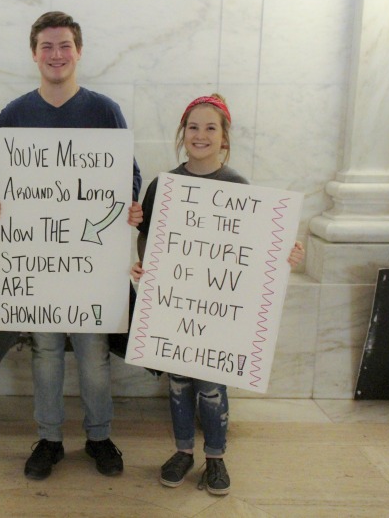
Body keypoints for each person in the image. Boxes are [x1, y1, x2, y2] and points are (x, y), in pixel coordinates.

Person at [0, 11, 143, 480]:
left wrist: (128, 207)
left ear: (79, 51)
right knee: (46, 352)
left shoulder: (104, 111)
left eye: (65, 45)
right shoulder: (13, 115)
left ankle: (99, 437)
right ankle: (49, 439)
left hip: (90, 262)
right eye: (47, 46)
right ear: (34, 53)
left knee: (93, 354)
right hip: (39, 262)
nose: (57, 54)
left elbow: (126, 175)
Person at [131, 94, 305, 495]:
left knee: (211, 385)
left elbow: (256, 249)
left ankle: (215, 457)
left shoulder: (238, 187)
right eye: (193, 126)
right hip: (175, 307)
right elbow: (149, 239)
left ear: (224, 137)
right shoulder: (164, 186)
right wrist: (145, 269)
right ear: (182, 133)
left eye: (211, 127)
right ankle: (182, 451)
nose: (201, 134)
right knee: (177, 382)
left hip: (216, 312)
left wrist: (286, 254)